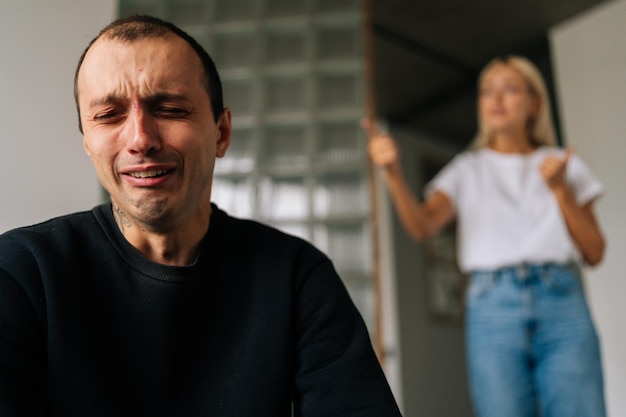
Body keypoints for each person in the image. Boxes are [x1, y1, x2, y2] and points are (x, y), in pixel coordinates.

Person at [0, 15, 402, 417]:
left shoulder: (296, 276)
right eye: (108, 115)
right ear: (88, 141)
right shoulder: (21, 270)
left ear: (221, 133)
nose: (140, 138)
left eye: (171, 109)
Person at [365, 55, 606, 417]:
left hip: (561, 300)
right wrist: (393, 174)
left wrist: (559, 190)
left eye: (510, 89)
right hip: (492, 304)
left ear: (534, 103)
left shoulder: (562, 163)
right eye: (487, 91)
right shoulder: (466, 169)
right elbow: (422, 226)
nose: (496, 99)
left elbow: (594, 251)